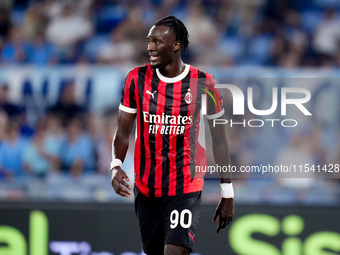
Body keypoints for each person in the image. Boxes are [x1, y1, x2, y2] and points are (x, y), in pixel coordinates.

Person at [111, 15, 234, 255]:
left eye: (157, 42)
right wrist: (116, 165)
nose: (150, 47)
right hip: (147, 188)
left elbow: (219, 140)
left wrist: (227, 191)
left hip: (185, 186)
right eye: (149, 41)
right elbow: (123, 131)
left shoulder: (205, 84)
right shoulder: (135, 79)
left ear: (176, 44)